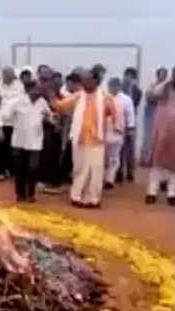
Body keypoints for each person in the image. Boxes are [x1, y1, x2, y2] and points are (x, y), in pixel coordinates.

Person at [51, 67, 120, 208]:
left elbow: (115, 114)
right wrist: (52, 97)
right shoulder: (77, 96)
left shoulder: (106, 97)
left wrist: (117, 127)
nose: (85, 83)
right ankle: (76, 197)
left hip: (97, 140)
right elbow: (61, 106)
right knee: (79, 169)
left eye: (88, 80)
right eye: (84, 80)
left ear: (96, 81)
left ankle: (93, 199)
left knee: (96, 170)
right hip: (79, 139)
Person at [9, 80, 53, 202]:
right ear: (30, 90)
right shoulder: (18, 102)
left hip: (35, 141)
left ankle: (31, 194)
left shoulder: (42, 102)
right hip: (19, 141)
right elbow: (6, 116)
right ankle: (20, 194)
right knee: (20, 169)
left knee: (33, 168)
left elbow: (51, 117)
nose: (40, 91)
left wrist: (48, 118)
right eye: (37, 89)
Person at [145, 66, 175, 206]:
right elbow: (151, 95)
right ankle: (152, 191)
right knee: (157, 162)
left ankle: (172, 193)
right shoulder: (164, 88)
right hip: (162, 128)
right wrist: (166, 82)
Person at [0, 66, 25, 179]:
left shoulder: (20, 86)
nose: (7, 76)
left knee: (14, 148)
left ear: (13, 75)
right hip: (2, 121)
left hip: (16, 122)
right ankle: (1, 171)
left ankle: (12, 171)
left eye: (9, 74)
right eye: (5, 74)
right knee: (0, 148)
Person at [140, 67, 168, 172]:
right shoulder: (152, 85)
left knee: (161, 139)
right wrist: (159, 98)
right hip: (150, 115)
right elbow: (149, 97)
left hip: (163, 116)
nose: (163, 76)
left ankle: (155, 161)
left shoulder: (168, 87)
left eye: (165, 74)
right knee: (148, 138)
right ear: (157, 75)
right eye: (161, 74)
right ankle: (145, 159)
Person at [103, 77, 129, 189]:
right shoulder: (103, 97)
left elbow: (130, 115)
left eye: (115, 85)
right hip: (103, 131)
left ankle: (110, 180)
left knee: (114, 158)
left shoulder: (126, 100)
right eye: (111, 85)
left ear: (119, 86)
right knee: (103, 157)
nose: (112, 88)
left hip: (117, 131)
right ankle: (102, 178)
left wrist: (130, 129)